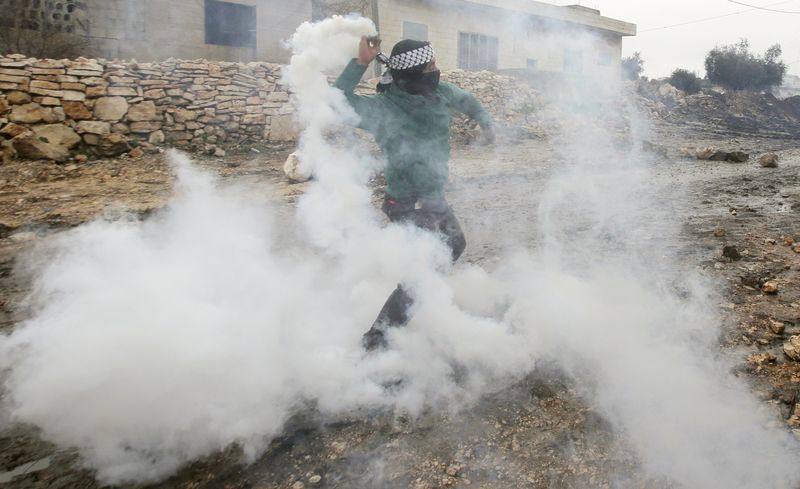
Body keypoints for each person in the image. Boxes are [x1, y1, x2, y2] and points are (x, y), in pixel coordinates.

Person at [335, 36, 495, 351]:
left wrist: (485, 122)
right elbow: (336, 101)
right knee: (420, 274)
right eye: (432, 64)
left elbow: (466, 99)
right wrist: (359, 64)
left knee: (453, 246)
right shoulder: (383, 107)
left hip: (433, 200)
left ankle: (409, 316)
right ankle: (375, 344)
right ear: (417, 71)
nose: (437, 69)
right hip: (406, 205)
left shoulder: (438, 92)